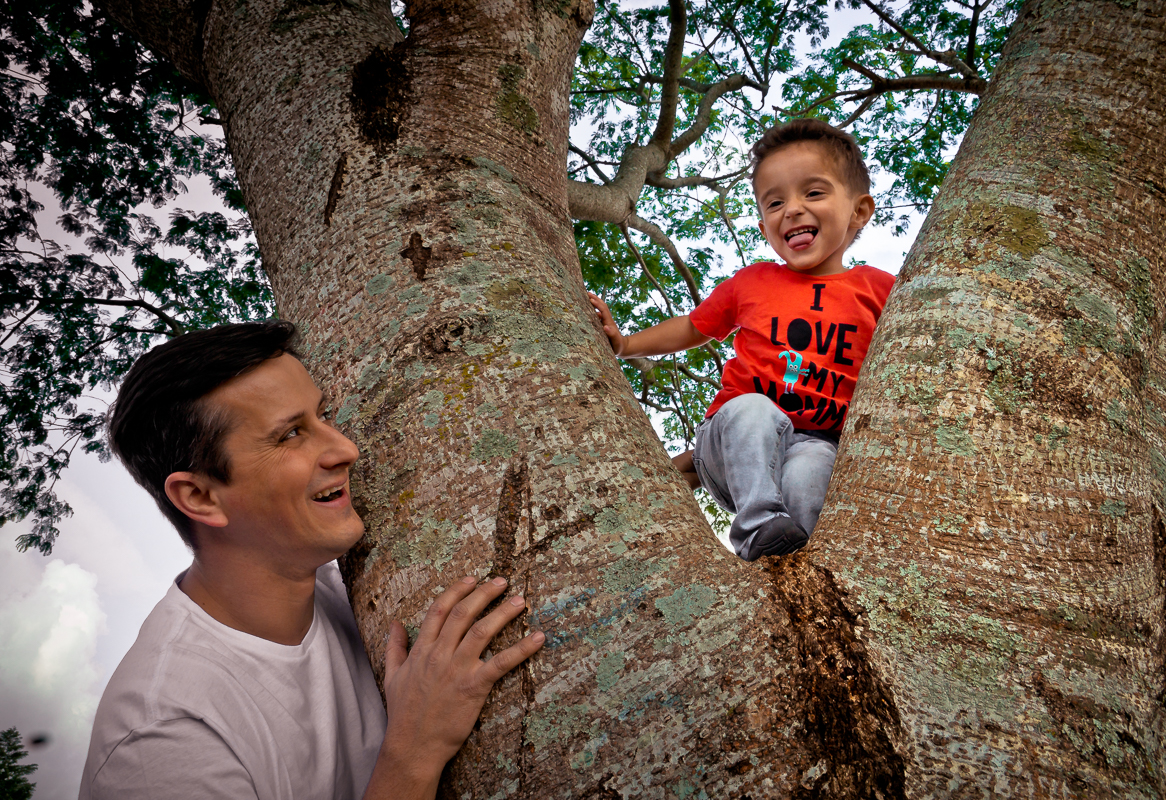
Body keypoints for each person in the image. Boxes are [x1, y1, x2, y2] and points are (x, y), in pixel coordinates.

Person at [79, 321, 543, 799]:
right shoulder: (161, 736)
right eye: (290, 435)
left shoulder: (351, 582)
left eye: (323, 416)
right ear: (200, 496)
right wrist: (414, 751)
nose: (346, 449)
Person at [590, 118, 894, 561]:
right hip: (733, 446)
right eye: (774, 202)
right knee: (752, 410)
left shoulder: (881, 290)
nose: (791, 209)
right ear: (763, 224)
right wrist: (625, 344)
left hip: (818, 442)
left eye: (813, 192)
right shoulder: (752, 283)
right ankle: (755, 529)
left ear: (860, 211)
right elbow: (694, 327)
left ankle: (794, 567)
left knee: (812, 473)